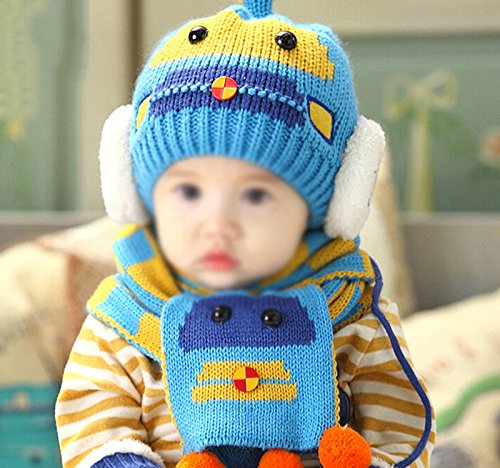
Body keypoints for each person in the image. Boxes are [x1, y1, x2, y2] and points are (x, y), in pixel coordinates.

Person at [55, 0, 435, 467]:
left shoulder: (351, 312)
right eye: (188, 191)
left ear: (323, 208)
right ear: (141, 194)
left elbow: (403, 431)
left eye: (255, 195)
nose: (218, 223)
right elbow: (93, 432)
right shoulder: (122, 320)